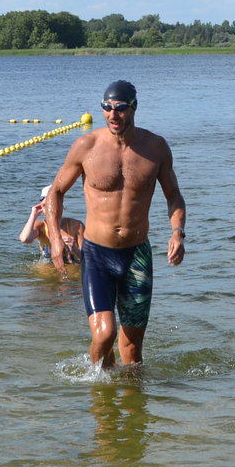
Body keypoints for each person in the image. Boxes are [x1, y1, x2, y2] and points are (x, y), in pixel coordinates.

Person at [43, 80, 186, 369]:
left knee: (132, 350)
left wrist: (177, 232)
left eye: (120, 108)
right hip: (97, 254)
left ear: (134, 108)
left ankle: (131, 406)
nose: (113, 115)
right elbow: (56, 192)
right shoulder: (87, 145)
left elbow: (174, 196)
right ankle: (100, 395)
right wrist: (56, 240)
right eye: (107, 108)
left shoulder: (155, 147)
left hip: (137, 256)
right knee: (104, 334)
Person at [19, 184, 85, 265]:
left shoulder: (76, 226)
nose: (50, 209)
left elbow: (88, 260)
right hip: (49, 267)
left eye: (54, 205)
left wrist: (74, 249)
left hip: (71, 265)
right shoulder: (40, 226)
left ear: (61, 205)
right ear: (41, 207)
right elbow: (25, 239)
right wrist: (33, 214)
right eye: (45, 205)